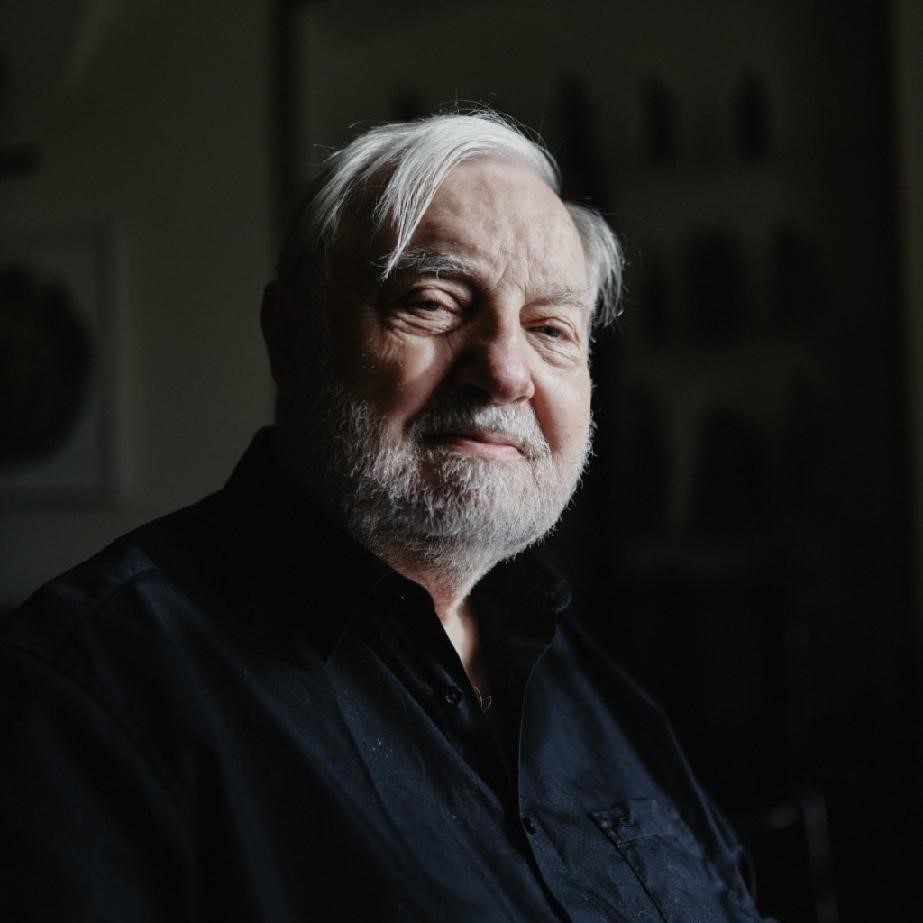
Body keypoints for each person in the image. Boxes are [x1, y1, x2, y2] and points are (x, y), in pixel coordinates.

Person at [1, 111, 768, 921]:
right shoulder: (85, 690)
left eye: (550, 328)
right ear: (291, 340)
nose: (505, 371)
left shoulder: (585, 677)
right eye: (433, 303)